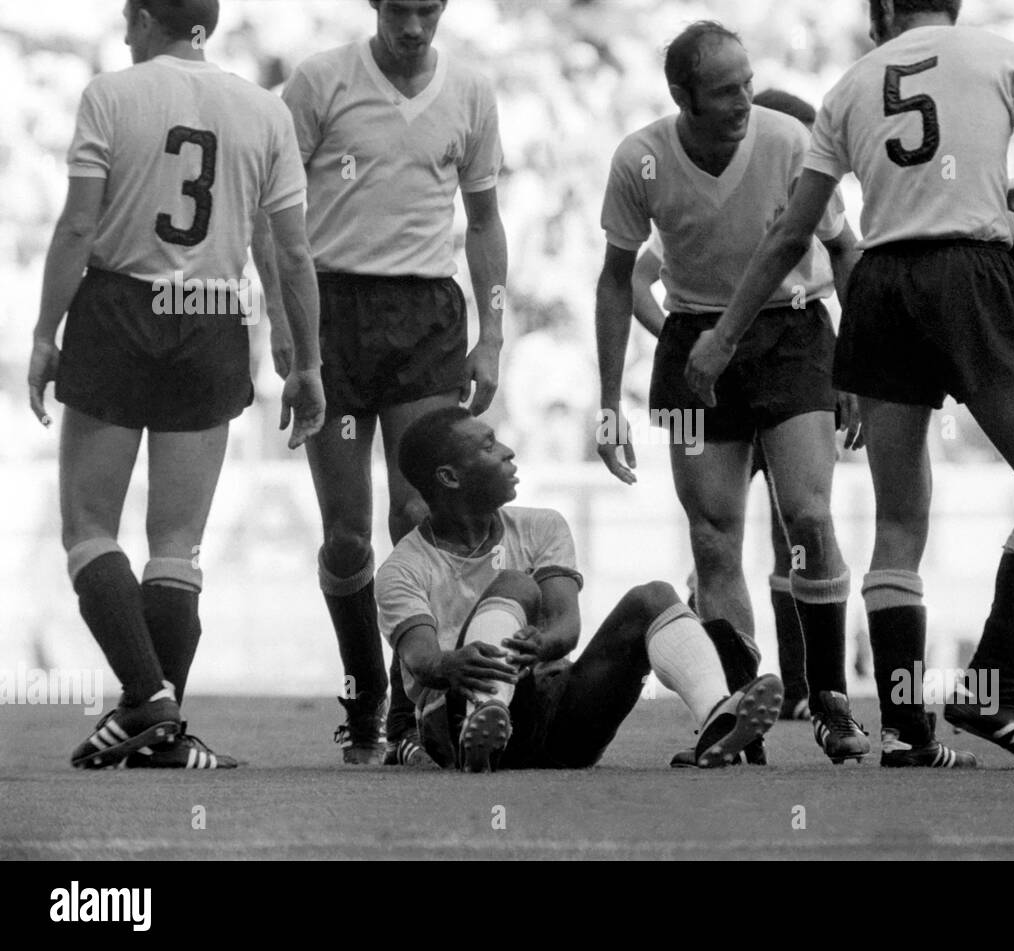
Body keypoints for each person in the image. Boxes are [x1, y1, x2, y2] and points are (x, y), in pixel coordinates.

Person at [688, 0, 1014, 768]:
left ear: (880, 14)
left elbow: (790, 233)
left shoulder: (848, 87)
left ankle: (907, 732)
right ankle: (990, 683)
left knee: (900, 526)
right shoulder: (1005, 58)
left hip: (879, 287)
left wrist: (723, 334)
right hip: (967, 275)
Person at [26, 0, 324, 769]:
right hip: (215, 313)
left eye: (130, 18)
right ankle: (157, 725)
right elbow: (292, 255)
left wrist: (42, 333)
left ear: (154, 18)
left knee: (89, 527)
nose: (124, 33)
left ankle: (148, 699)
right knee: (177, 544)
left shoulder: (112, 95)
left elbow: (77, 229)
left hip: (121, 304)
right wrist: (308, 359)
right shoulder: (265, 109)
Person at [597, 21, 871, 765]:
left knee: (809, 516)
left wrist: (853, 365)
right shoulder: (640, 160)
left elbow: (845, 249)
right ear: (682, 96)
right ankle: (736, 708)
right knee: (713, 537)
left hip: (791, 336)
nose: (745, 98)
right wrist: (606, 401)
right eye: (725, 90)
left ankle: (832, 700)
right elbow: (617, 279)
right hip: (691, 350)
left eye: (749, 82)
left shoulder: (788, 141)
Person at [257, 0, 507, 765]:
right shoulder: (320, 81)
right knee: (345, 530)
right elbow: (273, 214)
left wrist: (493, 332)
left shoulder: (471, 91)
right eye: (400, 10)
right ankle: (361, 689)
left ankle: (418, 701)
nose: (413, 27)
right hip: (334, 313)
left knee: (421, 510)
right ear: (375, 6)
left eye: (427, 10)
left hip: (426, 312)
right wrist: (282, 321)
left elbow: (486, 219)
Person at [375, 407, 783, 772]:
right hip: (453, 723)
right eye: (488, 447)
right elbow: (421, 658)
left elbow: (566, 626)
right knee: (517, 584)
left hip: (553, 720)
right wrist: (450, 665)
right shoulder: (403, 567)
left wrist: (544, 644)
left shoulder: (542, 525)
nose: (507, 452)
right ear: (449, 477)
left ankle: (718, 717)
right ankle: (485, 718)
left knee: (654, 597)